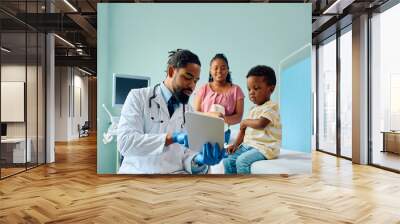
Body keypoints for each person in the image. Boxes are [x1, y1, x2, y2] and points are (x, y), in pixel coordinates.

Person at [117, 49, 225, 174]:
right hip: (139, 173)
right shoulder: (138, 97)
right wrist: (171, 138)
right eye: (187, 77)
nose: (192, 86)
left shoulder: (188, 110)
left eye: (195, 81)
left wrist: (199, 160)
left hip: (175, 177)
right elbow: (125, 142)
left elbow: (186, 155)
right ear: (171, 71)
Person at [223, 65, 282, 174]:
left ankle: (245, 188)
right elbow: (242, 131)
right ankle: (232, 186)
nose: (251, 92)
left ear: (271, 88)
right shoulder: (252, 110)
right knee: (227, 160)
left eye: (256, 88)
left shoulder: (271, 107)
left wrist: (245, 122)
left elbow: (261, 123)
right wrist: (235, 145)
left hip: (264, 148)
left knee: (242, 161)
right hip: (249, 146)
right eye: (249, 89)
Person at [194, 53, 244, 126]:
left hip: (224, 131)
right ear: (210, 70)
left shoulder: (236, 90)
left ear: (227, 70)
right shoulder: (203, 89)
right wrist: (211, 116)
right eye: (215, 68)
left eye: (223, 68)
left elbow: (238, 117)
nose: (219, 71)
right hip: (203, 129)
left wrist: (222, 119)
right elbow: (196, 114)